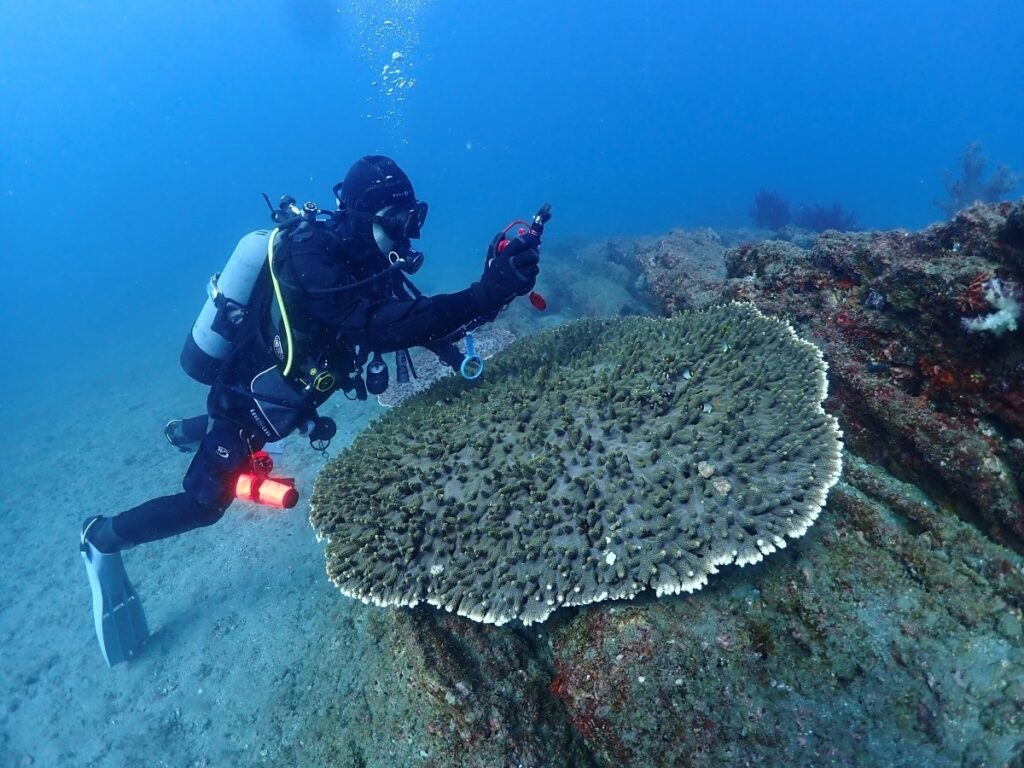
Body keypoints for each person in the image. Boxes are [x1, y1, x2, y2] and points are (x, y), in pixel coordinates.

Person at [80, 155, 544, 665]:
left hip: (290, 398)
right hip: (246, 400)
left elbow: (420, 320)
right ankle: (100, 538)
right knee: (205, 505)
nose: (409, 236)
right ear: (366, 216)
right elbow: (379, 326)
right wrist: (483, 291)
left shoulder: (366, 259)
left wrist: (496, 289)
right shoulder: (313, 259)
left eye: (415, 219)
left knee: (273, 434)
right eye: (400, 221)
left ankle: (186, 433)